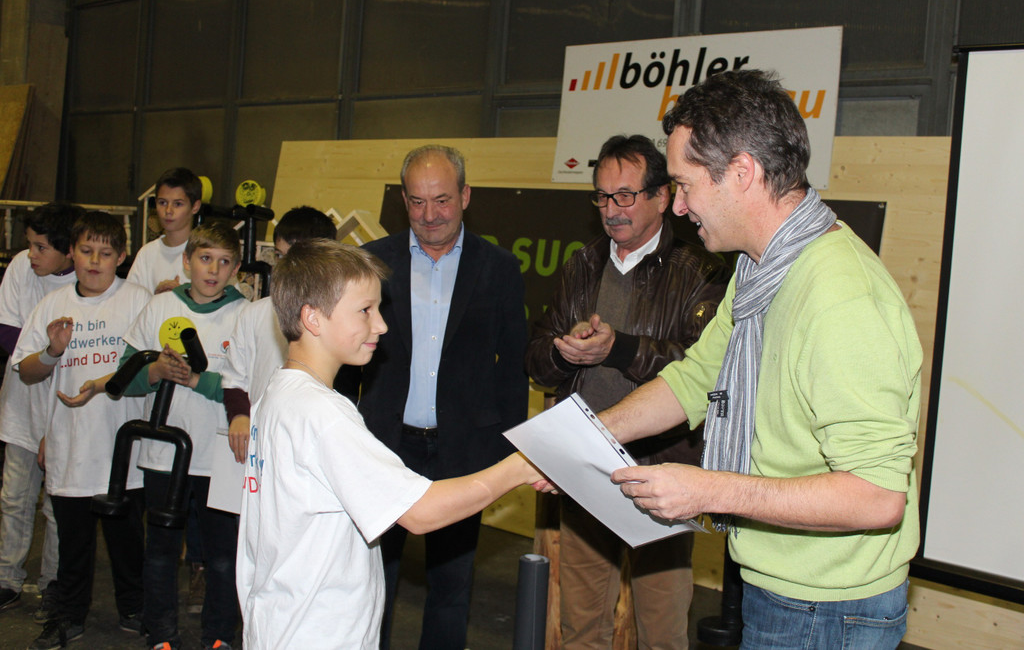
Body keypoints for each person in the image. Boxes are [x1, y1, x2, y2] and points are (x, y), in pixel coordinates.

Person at [597, 70, 921, 649]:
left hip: (828, 609)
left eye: (685, 185)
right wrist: (588, 436)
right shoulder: (760, 269)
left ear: (742, 172)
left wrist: (709, 490)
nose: (678, 208)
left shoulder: (840, 297)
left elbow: (877, 496)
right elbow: (695, 379)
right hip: (783, 588)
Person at [237, 239, 541, 650]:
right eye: (365, 310)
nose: (381, 325)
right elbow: (420, 512)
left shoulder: (279, 393)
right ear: (313, 318)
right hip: (318, 634)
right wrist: (521, 466)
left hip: (282, 621)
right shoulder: (324, 415)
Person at [525, 134, 730, 648]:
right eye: (601, 196)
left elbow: (702, 371)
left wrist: (619, 349)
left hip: (662, 473)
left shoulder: (700, 271)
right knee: (581, 627)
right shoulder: (581, 265)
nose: (611, 209)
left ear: (662, 197)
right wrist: (563, 353)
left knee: (661, 631)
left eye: (624, 195)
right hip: (586, 467)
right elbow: (537, 362)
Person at [336, 144, 529, 650]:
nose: (430, 215)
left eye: (442, 200)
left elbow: (513, 368)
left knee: (451, 586)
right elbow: (345, 356)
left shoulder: (500, 269)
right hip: (383, 447)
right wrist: (344, 430)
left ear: (465, 196)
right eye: (418, 202)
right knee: (372, 579)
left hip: (464, 451)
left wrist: (505, 452)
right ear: (404, 200)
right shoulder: (372, 262)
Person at [15, 212, 151, 649]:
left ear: (121, 257)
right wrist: (52, 352)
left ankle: (136, 608)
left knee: (128, 540)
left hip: (125, 449)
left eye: (105, 253)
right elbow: (26, 371)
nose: (94, 261)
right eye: (86, 251)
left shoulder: (138, 300)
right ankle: (69, 615)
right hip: (70, 447)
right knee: (72, 545)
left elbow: (153, 368)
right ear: (71, 253)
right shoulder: (52, 305)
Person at [120, 221, 246, 650]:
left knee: (223, 555)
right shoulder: (159, 307)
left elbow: (251, 386)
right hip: (164, 454)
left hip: (220, 454)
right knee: (161, 549)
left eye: (224, 262)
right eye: (205, 258)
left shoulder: (245, 314)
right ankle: (161, 634)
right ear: (187, 262)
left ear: (236, 269)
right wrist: (155, 371)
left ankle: (219, 636)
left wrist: (196, 380)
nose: (213, 270)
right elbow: (126, 376)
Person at [0, 203, 81, 622]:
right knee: (14, 497)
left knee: (55, 505)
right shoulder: (20, 267)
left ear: (68, 252)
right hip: (22, 400)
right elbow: (8, 335)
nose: (31, 254)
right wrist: (45, 352)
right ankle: (6, 577)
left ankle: (52, 583)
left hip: (63, 405)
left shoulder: (83, 283)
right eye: (30, 244)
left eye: (41, 247)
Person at [221, 205, 338, 464]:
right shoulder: (255, 313)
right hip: (259, 443)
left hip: (313, 444)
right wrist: (239, 415)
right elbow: (234, 377)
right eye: (279, 255)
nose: (284, 266)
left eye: (294, 256)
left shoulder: (338, 318)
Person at [128, 167, 203, 294]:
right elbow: (131, 301)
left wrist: (184, 297)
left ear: (195, 206)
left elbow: (231, 302)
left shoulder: (209, 253)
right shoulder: (146, 254)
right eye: (162, 203)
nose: (168, 211)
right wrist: (158, 299)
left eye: (177, 204)